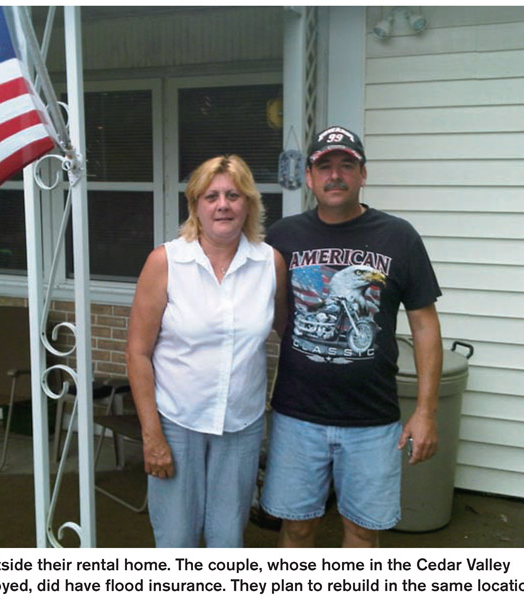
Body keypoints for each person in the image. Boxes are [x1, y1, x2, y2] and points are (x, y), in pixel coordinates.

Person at [260, 125, 443, 548]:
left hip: (372, 421)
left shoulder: (399, 237)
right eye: (325, 166)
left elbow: (425, 325)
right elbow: (274, 314)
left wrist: (426, 411)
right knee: (297, 526)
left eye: (347, 165)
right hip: (296, 417)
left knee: (362, 531)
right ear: (309, 176)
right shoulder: (283, 237)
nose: (335, 175)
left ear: (363, 174)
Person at [126, 154, 287, 547]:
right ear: (195, 204)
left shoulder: (270, 263)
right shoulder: (166, 262)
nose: (223, 205)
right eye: (211, 195)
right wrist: (152, 436)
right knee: (176, 540)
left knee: (227, 540)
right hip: (177, 423)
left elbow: (290, 335)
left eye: (234, 195)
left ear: (248, 203)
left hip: (242, 425)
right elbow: (137, 353)